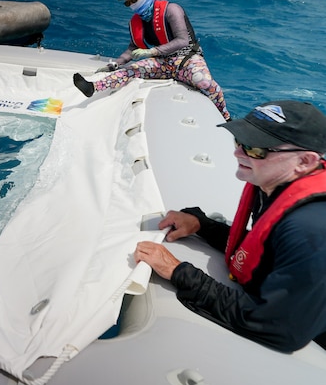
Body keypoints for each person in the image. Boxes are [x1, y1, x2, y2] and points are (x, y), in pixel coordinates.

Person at [134, 100, 326, 352]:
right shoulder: (277, 183)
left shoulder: (310, 228)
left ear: (305, 161)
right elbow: (267, 248)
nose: (238, 153)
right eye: (239, 140)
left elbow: (279, 328)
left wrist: (180, 272)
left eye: (255, 149)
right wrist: (203, 226)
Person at [72, 0, 230, 120]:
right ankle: (93, 87)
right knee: (130, 70)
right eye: (128, 4)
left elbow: (183, 40)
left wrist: (153, 52)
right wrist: (115, 64)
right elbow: (132, 48)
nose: (132, 5)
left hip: (186, 59)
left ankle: (225, 116)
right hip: (163, 63)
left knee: (203, 81)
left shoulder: (171, 10)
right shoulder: (135, 22)